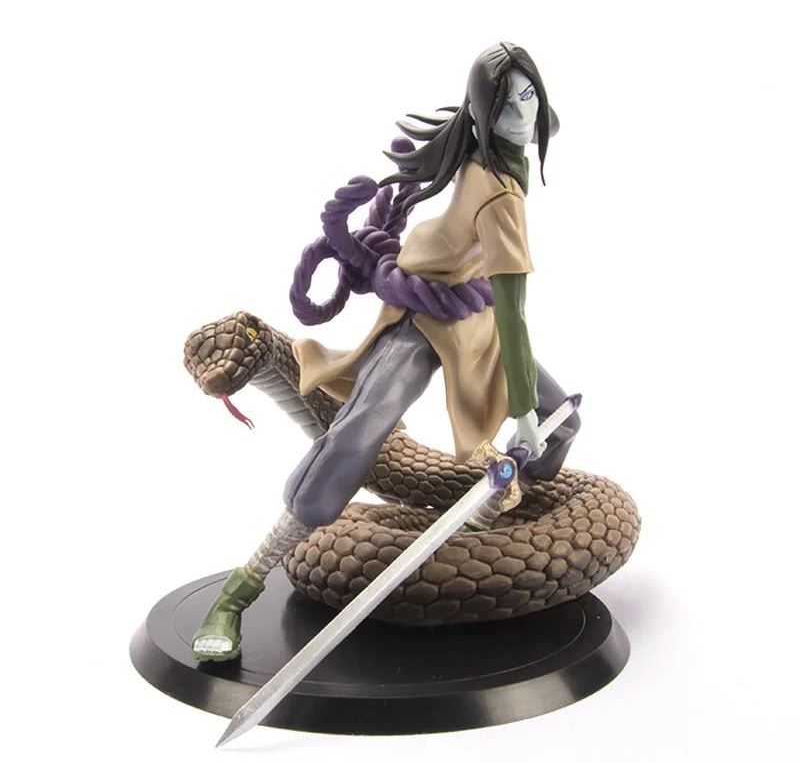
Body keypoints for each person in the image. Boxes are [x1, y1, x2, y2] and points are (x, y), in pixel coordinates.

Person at [192, 41, 580, 662]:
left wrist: (533, 415)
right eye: (505, 104)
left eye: (529, 97)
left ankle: (494, 505)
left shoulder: (505, 165)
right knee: (357, 432)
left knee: (563, 422)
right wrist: (523, 407)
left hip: (472, 315)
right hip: (424, 316)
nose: (521, 114)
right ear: (482, 113)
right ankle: (239, 592)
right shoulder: (497, 187)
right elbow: (514, 309)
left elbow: (501, 309)